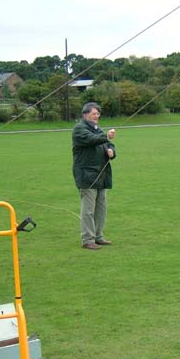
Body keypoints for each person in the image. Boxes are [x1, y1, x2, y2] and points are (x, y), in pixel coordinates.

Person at [72, 102, 117, 250]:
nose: (97, 116)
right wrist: (106, 137)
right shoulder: (80, 129)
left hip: (101, 175)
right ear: (85, 115)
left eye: (98, 114)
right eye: (94, 114)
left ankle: (98, 236)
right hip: (87, 176)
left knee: (101, 208)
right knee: (88, 210)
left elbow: (108, 144)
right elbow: (92, 140)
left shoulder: (97, 129)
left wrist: (111, 150)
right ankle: (87, 239)